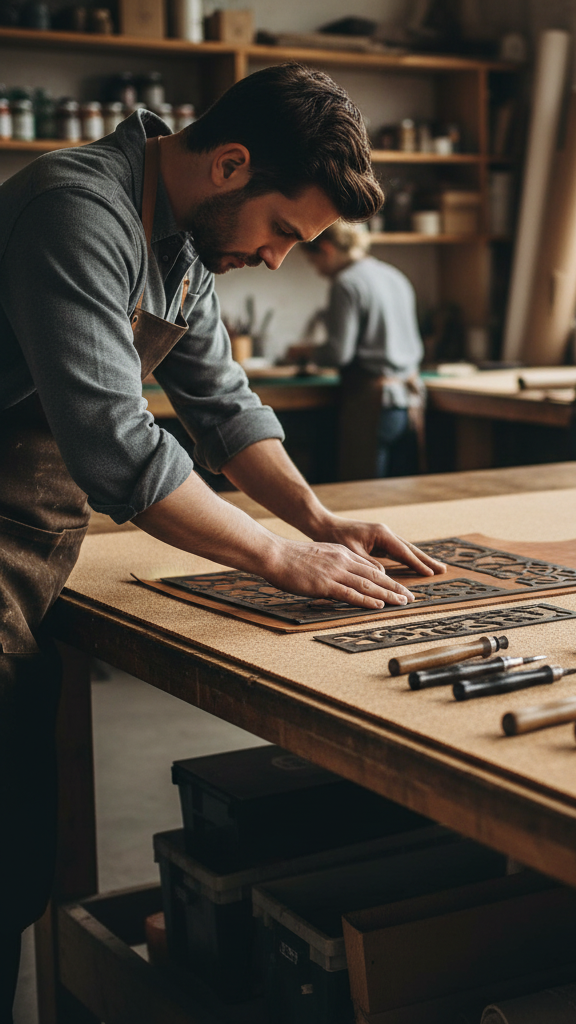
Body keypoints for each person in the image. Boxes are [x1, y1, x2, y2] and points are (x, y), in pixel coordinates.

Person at [0, 62, 446, 1019]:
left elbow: (223, 406)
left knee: (14, 840)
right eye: (284, 230)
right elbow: (121, 446)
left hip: (28, 529)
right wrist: (283, 559)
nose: (283, 259)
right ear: (232, 165)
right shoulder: (77, 211)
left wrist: (319, 521)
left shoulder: (185, 247)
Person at [296, 224, 425, 479]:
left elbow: (338, 354)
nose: (318, 271)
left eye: (314, 262)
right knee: (405, 492)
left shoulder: (346, 283)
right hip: (411, 399)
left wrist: (306, 353)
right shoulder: (394, 275)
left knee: (365, 491)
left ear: (327, 249)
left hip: (374, 403)